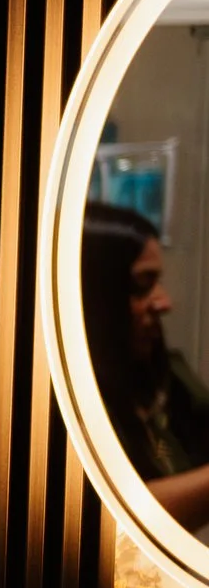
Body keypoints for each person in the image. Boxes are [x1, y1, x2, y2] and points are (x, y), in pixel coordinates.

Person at [83, 201, 209, 527]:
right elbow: (120, 515)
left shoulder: (162, 373)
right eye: (143, 284)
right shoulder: (72, 403)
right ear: (96, 292)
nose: (164, 302)